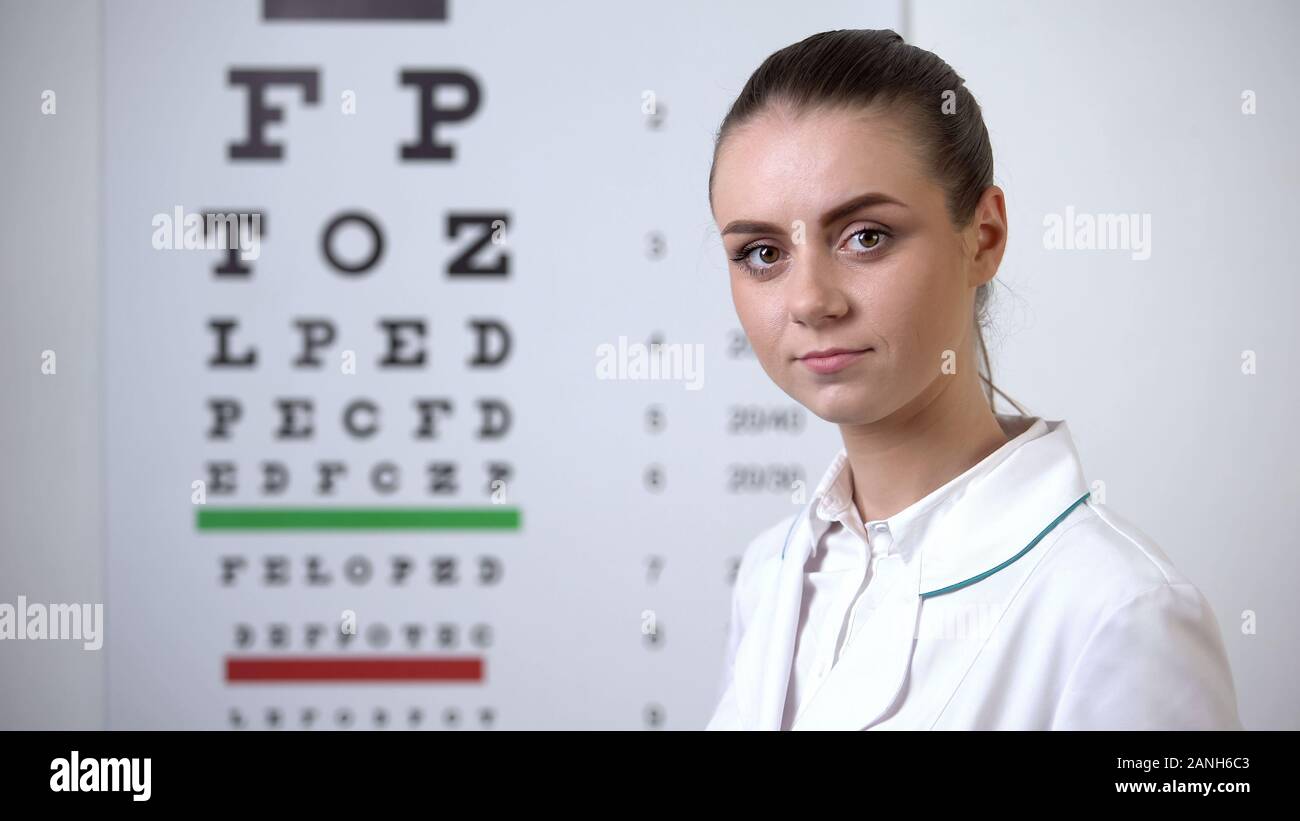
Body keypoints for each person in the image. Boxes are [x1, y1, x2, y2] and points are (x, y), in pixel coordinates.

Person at [704, 28, 1242, 730]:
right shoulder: (771, 575)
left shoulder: (1122, 610)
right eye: (763, 251)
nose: (810, 300)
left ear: (983, 237)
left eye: (865, 235)